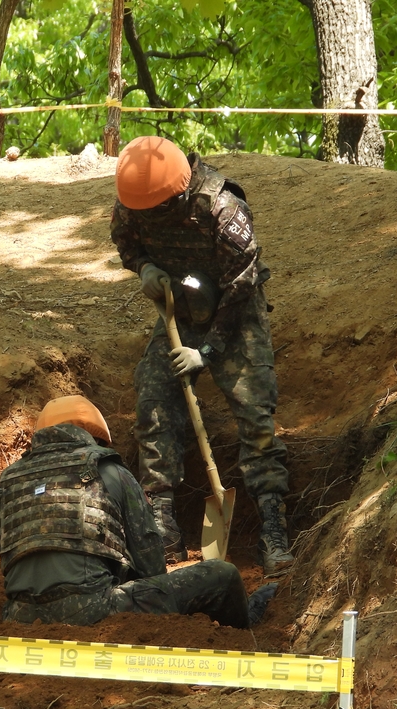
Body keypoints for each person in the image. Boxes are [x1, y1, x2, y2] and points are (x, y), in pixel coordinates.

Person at [109, 135, 293, 576]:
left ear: (179, 195)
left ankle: (272, 524)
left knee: (255, 413)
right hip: (181, 307)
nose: (150, 217)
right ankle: (160, 522)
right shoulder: (133, 202)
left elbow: (242, 283)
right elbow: (126, 242)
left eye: (159, 211)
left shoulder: (223, 208)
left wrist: (206, 352)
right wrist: (145, 268)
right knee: (153, 399)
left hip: (234, 310)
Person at [0, 395, 277, 627]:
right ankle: (249, 620)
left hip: (19, 618)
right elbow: (150, 563)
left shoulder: (9, 479)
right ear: (95, 438)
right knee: (223, 574)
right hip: (96, 610)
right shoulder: (112, 471)